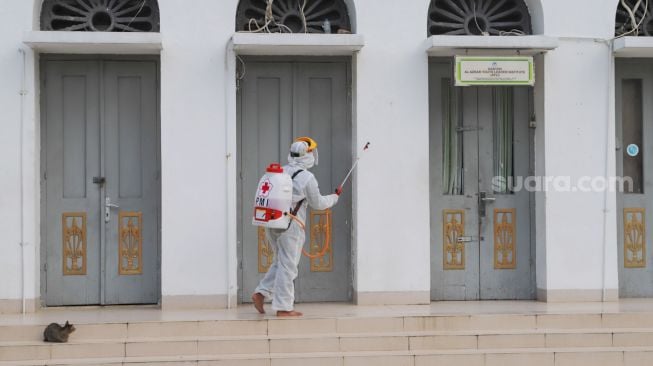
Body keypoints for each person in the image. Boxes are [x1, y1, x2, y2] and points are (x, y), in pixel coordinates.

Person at [252, 137, 341, 317]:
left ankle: (261, 293)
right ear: (307, 155)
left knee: (281, 261)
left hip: (273, 223)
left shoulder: (281, 171)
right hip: (292, 226)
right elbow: (318, 203)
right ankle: (284, 308)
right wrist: (334, 197)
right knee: (289, 266)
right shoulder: (307, 178)